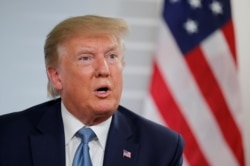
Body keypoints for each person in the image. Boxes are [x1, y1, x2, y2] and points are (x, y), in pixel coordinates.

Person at [0, 15, 184, 166]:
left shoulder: (162, 148)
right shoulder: (7, 137)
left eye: (112, 56)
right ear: (56, 77)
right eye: (86, 58)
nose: (104, 70)